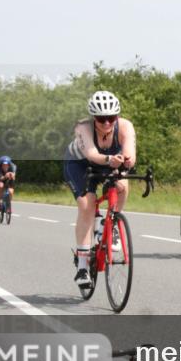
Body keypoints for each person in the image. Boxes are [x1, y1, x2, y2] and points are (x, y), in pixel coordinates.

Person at [62, 91, 137, 288]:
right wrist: (109, 160)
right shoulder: (83, 127)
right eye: (101, 119)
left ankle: (110, 225)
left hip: (109, 162)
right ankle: (83, 266)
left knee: (122, 185)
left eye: (111, 118)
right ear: (93, 117)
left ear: (117, 116)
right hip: (79, 163)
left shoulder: (125, 126)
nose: (106, 123)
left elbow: (130, 153)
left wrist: (126, 161)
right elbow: (91, 153)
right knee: (87, 205)